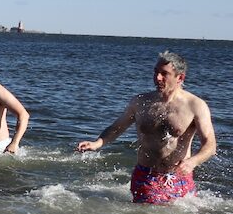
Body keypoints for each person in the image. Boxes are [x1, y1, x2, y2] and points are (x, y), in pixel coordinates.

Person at [77, 51, 217, 204]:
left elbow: (210, 145)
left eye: (164, 74)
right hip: (146, 176)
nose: (157, 78)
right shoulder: (140, 102)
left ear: (180, 77)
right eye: (156, 72)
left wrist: (193, 162)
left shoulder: (195, 105)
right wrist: (97, 143)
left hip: (179, 177)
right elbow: (117, 127)